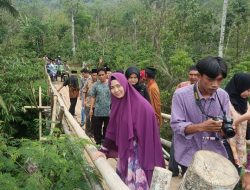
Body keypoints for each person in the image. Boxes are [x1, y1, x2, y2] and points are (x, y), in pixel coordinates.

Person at [94, 73, 165, 189]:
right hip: (126, 152)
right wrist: (103, 150)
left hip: (140, 155)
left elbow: (149, 136)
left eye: (118, 86)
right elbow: (112, 129)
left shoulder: (142, 106)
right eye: (112, 88)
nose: (116, 90)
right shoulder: (118, 104)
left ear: (125, 84)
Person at [171, 56, 232, 174]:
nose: (215, 85)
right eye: (210, 79)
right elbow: (176, 125)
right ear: (199, 76)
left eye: (219, 80)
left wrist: (223, 131)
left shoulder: (223, 96)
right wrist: (202, 127)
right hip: (189, 155)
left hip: (214, 155)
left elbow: (225, 123)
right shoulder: (181, 95)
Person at [169, 64, 200, 176]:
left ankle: (190, 173)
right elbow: (174, 103)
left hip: (196, 126)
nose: (193, 77)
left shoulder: (204, 89)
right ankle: (173, 169)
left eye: (196, 75)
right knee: (175, 145)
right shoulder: (182, 86)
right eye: (191, 74)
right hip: (181, 123)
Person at [225, 73, 250, 169]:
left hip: (240, 142)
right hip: (228, 143)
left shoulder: (245, 103)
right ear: (239, 86)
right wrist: (246, 117)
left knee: (239, 171)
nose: (248, 94)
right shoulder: (226, 100)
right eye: (247, 90)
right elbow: (230, 123)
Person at [89, 68, 111, 145]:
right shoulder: (95, 85)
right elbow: (92, 96)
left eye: (103, 75)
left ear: (106, 74)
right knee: (97, 127)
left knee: (107, 128)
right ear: (97, 76)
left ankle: (106, 142)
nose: (101, 76)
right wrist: (91, 108)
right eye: (99, 75)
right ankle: (98, 141)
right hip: (98, 110)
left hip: (109, 110)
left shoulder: (110, 84)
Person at [83, 68, 98, 137]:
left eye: (96, 75)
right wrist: (84, 101)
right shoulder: (88, 82)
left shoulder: (99, 82)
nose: (95, 76)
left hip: (97, 104)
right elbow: (84, 91)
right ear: (91, 75)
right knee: (88, 118)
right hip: (88, 103)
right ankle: (87, 132)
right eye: (93, 75)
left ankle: (92, 131)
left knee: (94, 119)